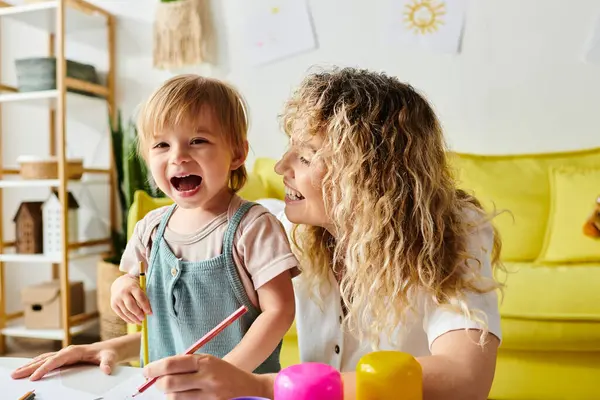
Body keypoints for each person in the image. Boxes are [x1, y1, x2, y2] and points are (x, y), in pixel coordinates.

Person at [11, 67, 502, 400]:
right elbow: (214, 324)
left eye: (306, 156)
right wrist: (116, 347)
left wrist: (262, 386)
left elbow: (463, 377)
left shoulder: (453, 229)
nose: (283, 165)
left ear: (370, 176)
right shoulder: (270, 224)